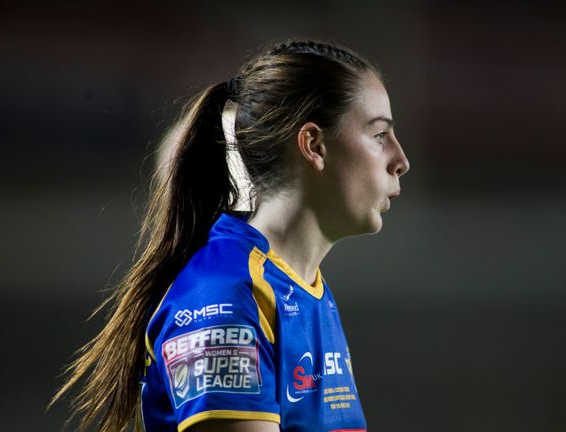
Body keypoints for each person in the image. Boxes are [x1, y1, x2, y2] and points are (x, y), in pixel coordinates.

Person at [51, 39, 410, 432]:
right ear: (314, 145)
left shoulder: (305, 290)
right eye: (379, 135)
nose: (401, 161)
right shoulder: (225, 298)